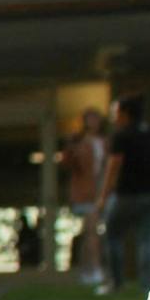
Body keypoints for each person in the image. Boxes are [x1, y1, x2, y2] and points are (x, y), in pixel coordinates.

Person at [96, 93, 150, 294]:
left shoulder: (121, 137)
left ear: (125, 114)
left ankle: (116, 284)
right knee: (147, 239)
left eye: (115, 113)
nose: (113, 117)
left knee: (112, 235)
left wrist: (103, 196)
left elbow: (113, 167)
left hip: (127, 195)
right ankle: (147, 286)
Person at [58, 107, 106, 285]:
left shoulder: (104, 142)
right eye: (90, 119)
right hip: (85, 194)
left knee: (89, 233)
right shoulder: (79, 143)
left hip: (101, 192)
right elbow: (67, 163)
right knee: (92, 232)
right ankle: (96, 270)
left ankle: (86, 271)